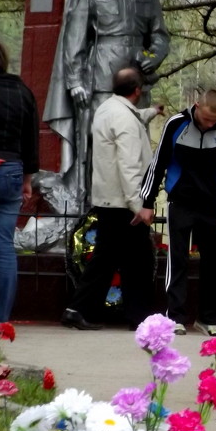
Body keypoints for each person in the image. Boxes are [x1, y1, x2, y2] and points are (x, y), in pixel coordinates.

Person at [44, 0, 170, 212]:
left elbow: (160, 33)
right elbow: (75, 37)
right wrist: (75, 80)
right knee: (100, 146)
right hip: (101, 76)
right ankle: (94, 207)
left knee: (134, 144)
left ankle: (134, 204)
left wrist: (156, 54)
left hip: (139, 76)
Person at [61, 66, 160, 330]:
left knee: (107, 258)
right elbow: (129, 165)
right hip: (124, 202)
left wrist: (151, 113)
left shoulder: (107, 109)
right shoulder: (126, 119)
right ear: (137, 90)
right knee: (137, 261)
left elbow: (133, 117)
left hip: (107, 198)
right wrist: (140, 205)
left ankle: (78, 309)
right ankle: (137, 316)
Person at [138, 90, 216, 336]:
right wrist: (147, 201)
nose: (209, 125)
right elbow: (158, 163)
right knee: (178, 259)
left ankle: (208, 318)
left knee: (214, 262)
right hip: (180, 201)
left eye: (214, 121)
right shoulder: (176, 124)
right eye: (205, 119)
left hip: (212, 204)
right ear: (196, 106)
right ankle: (174, 316)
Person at [0, 38, 37, 328]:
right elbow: (31, 140)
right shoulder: (22, 91)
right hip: (10, 172)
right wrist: (26, 180)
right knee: (3, 248)